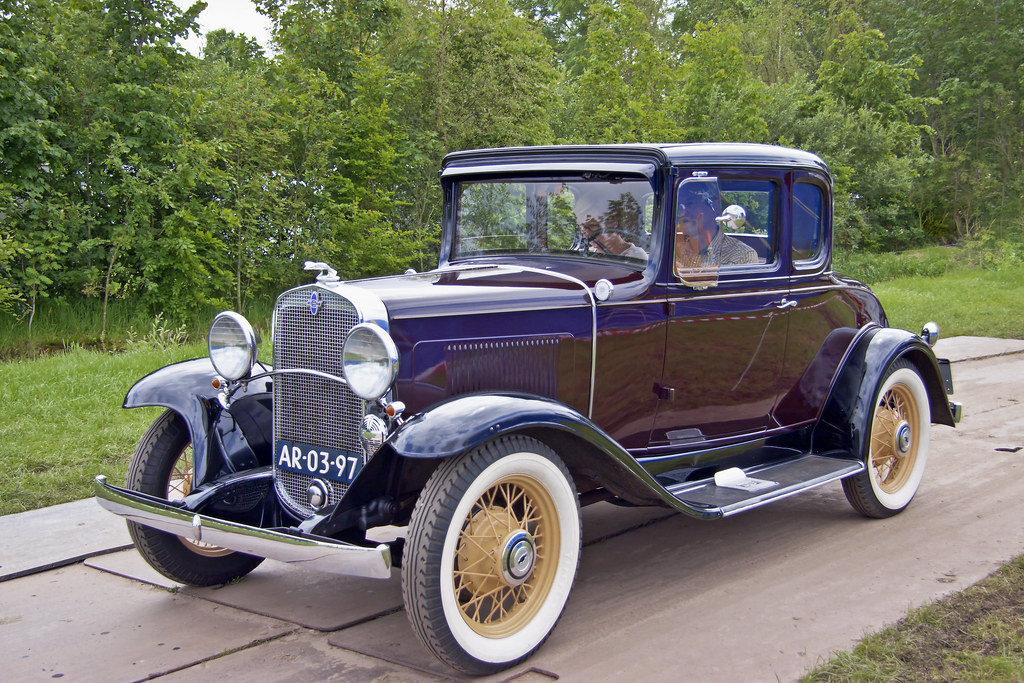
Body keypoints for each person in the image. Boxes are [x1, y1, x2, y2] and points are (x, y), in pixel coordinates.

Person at [674, 186, 757, 277]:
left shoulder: (742, 256)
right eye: (679, 206)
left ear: (716, 208)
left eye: (690, 203)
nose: (682, 213)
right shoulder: (675, 250)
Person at [572, 185, 648, 261]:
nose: (588, 236)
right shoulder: (586, 255)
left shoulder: (636, 258)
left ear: (614, 221)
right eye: (583, 228)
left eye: (593, 226)